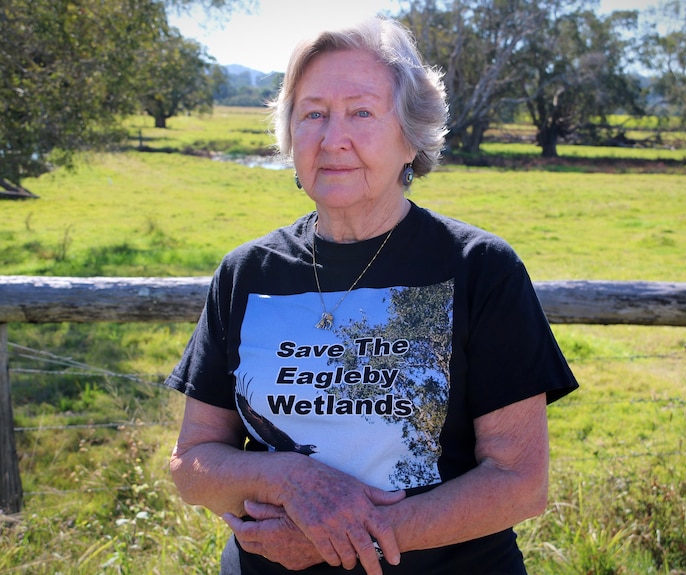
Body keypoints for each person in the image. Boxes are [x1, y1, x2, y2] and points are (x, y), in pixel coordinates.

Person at [167, 16, 578, 575]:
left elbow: (519, 482)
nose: (333, 138)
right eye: (313, 114)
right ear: (290, 136)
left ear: (411, 136)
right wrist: (291, 478)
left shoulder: (480, 269)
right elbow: (191, 464)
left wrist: (342, 534)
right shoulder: (248, 273)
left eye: (361, 112)